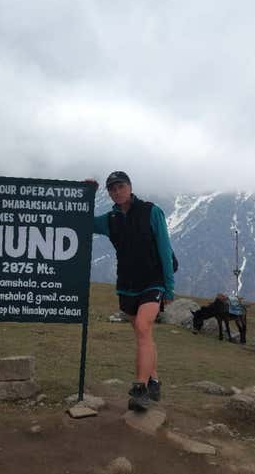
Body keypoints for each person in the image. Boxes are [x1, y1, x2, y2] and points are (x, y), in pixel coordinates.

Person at [90, 171, 174, 411]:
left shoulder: (151, 211)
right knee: (143, 335)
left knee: (142, 327)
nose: (117, 192)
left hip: (152, 281)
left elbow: (165, 249)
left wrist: (169, 288)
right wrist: (88, 194)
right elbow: (85, 221)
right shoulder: (111, 220)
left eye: (121, 186)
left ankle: (140, 389)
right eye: (112, 189)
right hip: (126, 285)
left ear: (130, 187)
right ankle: (154, 380)